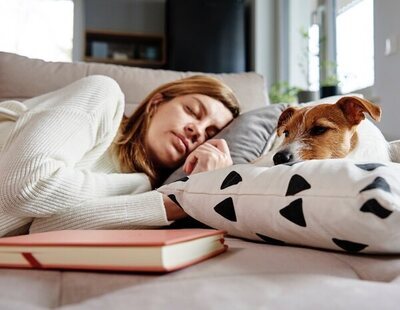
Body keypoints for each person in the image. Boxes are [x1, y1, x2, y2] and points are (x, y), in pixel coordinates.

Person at [0, 75, 240, 236]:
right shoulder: (103, 95)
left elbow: (45, 231)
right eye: (192, 110)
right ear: (156, 103)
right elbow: (25, 186)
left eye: (210, 134)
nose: (197, 130)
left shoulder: (142, 191)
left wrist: (186, 199)